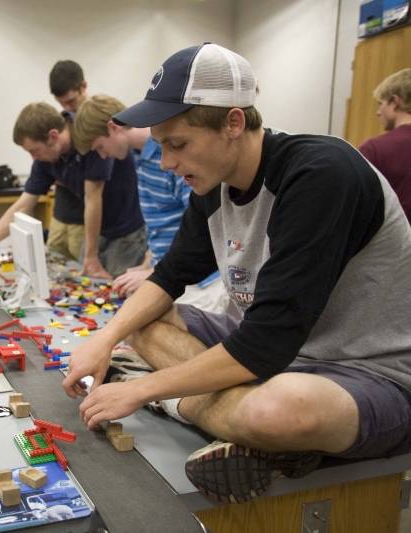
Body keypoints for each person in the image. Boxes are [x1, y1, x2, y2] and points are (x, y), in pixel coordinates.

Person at [63, 43, 411, 504]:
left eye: (177, 144)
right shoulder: (214, 183)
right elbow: (168, 278)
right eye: (161, 145)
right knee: (143, 319)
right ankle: (238, 420)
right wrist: (105, 339)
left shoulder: (322, 174)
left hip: (369, 374)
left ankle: (228, 417)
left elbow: (265, 345)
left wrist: (146, 389)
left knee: (278, 411)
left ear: (233, 122)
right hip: (279, 359)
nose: (166, 162)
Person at [73, 94, 227, 314]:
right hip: (172, 274)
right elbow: (162, 223)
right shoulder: (136, 157)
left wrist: (155, 272)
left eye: (99, 147)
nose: (103, 155)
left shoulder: (171, 155)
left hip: (199, 283)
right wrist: (148, 263)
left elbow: (201, 227)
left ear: (113, 128)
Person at [0, 102, 146, 278]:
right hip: (97, 232)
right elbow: (23, 205)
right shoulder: (45, 158)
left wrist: (90, 256)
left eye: (34, 151)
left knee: (121, 291)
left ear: (53, 136)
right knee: (89, 285)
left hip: (127, 234)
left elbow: (93, 199)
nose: (34, 158)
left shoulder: (88, 137)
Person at [46, 60, 91, 259]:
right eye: (61, 103)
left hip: (84, 222)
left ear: (84, 86)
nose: (66, 108)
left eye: (71, 101)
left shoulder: (96, 126)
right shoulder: (61, 122)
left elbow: (95, 190)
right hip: (60, 216)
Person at [359, 68, 411, 221]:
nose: (378, 112)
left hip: (395, 243)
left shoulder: (375, 150)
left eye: (380, 104)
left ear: (395, 102)